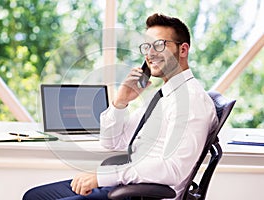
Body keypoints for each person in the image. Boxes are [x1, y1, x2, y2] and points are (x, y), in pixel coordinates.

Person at [23, 13, 218, 200]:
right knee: (33, 196)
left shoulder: (190, 101)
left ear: (183, 50)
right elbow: (112, 142)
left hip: (141, 194)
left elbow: (173, 168)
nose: (150, 54)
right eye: (147, 46)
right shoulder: (163, 97)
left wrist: (102, 177)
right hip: (124, 184)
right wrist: (120, 102)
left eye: (159, 45)